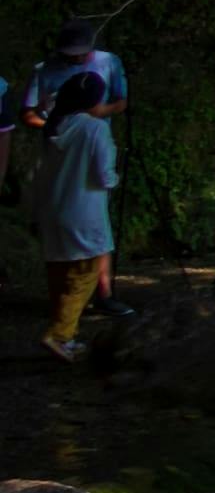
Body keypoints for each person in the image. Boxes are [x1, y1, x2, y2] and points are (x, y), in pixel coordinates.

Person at [31, 69, 113, 359]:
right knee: (83, 277)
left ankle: (66, 336)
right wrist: (114, 179)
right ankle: (60, 334)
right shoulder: (95, 129)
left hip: (51, 210)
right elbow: (103, 175)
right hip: (84, 212)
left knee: (59, 276)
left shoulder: (54, 125)